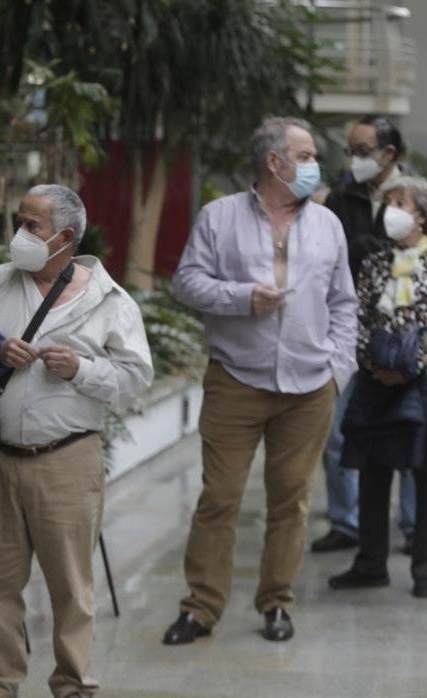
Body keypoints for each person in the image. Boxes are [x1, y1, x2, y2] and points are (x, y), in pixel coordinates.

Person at [0, 184, 153, 698]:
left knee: (71, 587)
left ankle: (74, 684)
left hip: (67, 460)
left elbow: (136, 378)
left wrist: (82, 369)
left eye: (32, 226)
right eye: (20, 221)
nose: (19, 235)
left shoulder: (109, 301)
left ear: (66, 237)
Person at [164, 117, 358, 646]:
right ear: (275, 162)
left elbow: (344, 303)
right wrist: (241, 297)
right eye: (307, 154)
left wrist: (338, 370)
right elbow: (186, 282)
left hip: (310, 386)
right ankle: (201, 608)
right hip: (236, 380)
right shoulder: (219, 216)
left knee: (290, 501)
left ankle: (276, 603)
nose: (315, 164)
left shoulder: (328, 225)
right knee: (220, 496)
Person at [328, 176, 427, 599]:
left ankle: (426, 569)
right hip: (376, 380)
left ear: (420, 214)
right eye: (387, 202)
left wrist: (410, 366)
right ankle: (370, 563)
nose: (390, 209)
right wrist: (376, 363)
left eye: (400, 202)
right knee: (372, 471)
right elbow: (357, 320)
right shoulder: (373, 263)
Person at [314, 115, 417, 554]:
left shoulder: (417, 196)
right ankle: (347, 521)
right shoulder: (344, 193)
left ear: (388, 154)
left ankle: (413, 524)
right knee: (334, 431)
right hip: (346, 329)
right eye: (351, 150)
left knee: (409, 425)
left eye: (363, 150)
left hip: (403, 329)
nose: (354, 159)